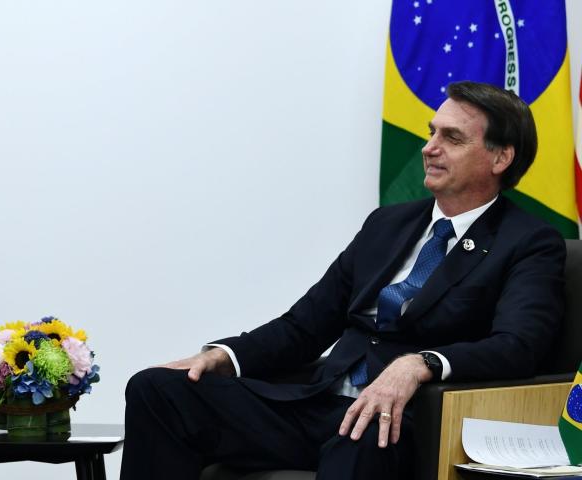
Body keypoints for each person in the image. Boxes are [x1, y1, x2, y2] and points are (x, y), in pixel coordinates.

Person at [121, 81, 566, 479]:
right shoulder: (387, 224)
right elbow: (305, 325)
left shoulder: (528, 241)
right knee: (158, 389)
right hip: (317, 403)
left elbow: (518, 345)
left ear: (500, 157)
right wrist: (225, 354)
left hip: (403, 418)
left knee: (368, 431)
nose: (429, 147)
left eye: (451, 138)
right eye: (431, 132)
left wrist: (421, 363)